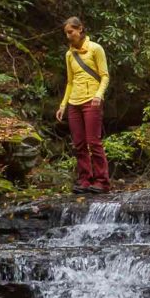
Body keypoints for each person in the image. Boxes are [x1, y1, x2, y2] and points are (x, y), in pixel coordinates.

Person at [55, 16, 111, 194]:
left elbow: (105, 76)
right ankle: (85, 179)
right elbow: (70, 82)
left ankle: (102, 181)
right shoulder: (69, 54)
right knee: (79, 143)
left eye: (71, 32)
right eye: (66, 33)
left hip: (91, 100)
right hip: (74, 102)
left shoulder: (96, 49)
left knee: (93, 142)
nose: (68, 36)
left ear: (80, 29)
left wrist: (98, 95)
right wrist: (63, 105)